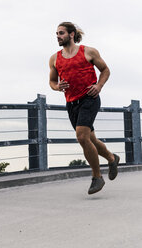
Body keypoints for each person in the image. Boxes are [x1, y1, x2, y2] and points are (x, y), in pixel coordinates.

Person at [49, 22, 120, 194]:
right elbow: (52, 82)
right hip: (71, 103)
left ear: (71, 34)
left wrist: (99, 86)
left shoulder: (88, 51)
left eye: (61, 33)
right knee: (91, 140)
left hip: (90, 98)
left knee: (81, 137)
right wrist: (58, 87)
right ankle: (112, 158)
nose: (57, 36)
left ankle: (97, 177)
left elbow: (105, 70)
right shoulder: (54, 58)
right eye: (56, 33)